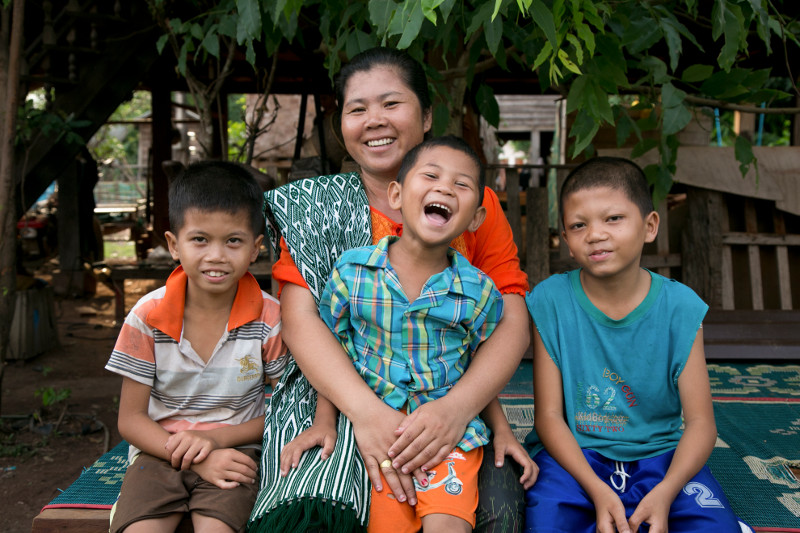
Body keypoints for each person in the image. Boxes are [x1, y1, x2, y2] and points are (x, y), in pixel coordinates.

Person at [248, 47, 531, 533]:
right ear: (342, 128)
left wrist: (457, 409)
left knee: (500, 513)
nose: (374, 120)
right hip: (340, 393)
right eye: (357, 109)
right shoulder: (315, 210)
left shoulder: (471, 201)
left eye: (391, 104)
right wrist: (366, 414)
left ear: (425, 117)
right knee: (318, 514)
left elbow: (509, 319)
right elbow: (302, 322)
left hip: (451, 404)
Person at [524, 156, 752, 533]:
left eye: (613, 219)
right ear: (565, 240)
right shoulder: (551, 301)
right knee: (545, 523)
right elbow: (548, 417)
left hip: (661, 458)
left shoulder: (680, 307)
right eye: (578, 225)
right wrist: (597, 490)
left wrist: (666, 491)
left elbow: (700, 423)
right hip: (576, 458)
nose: (595, 234)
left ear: (649, 226)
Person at [105, 161, 288, 533]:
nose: (216, 255)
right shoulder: (146, 317)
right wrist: (193, 457)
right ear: (174, 245)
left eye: (233, 241)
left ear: (256, 249)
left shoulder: (270, 320)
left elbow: (283, 410)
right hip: (157, 452)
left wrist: (216, 440)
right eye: (200, 239)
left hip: (236, 452)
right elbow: (131, 419)